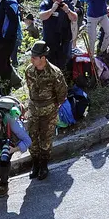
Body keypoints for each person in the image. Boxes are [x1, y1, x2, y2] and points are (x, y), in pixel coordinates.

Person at [25, 41, 67, 180]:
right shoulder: (29, 70)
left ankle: (43, 165)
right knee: (32, 138)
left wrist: (53, 107)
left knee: (45, 140)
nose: (32, 60)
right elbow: (30, 88)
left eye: (35, 57)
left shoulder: (54, 73)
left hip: (48, 112)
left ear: (43, 58)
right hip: (33, 110)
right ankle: (35, 164)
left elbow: (62, 93)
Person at [0, 107, 32, 197]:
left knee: (3, 159)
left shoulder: (13, 124)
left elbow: (28, 141)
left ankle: (4, 183)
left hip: (8, 141)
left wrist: (14, 149)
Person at [39, 0, 78, 70]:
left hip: (65, 38)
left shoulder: (68, 2)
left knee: (64, 61)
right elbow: (41, 16)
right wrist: (51, 10)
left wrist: (68, 11)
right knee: (50, 62)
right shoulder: (46, 3)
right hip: (50, 39)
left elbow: (74, 18)